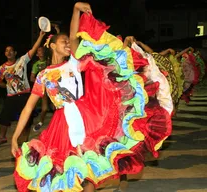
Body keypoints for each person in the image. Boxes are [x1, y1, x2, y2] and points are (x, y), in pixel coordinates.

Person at [11, 2, 172, 192]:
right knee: (66, 171)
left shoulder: (73, 63)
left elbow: (73, 35)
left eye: (68, 43)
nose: (68, 45)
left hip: (86, 118)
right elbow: (28, 108)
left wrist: (76, 10)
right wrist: (15, 137)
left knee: (87, 171)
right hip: (61, 125)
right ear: (52, 45)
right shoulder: (43, 75)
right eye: (63, 42)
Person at [0, 30, 46, 147]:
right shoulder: (2, 68)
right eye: (7, 51)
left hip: (25, 94)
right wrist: (7, 85)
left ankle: (24, 141)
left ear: (15, 53)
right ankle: (2, 137)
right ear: (5, 54)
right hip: (11, 97)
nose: (9, 52)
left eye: (11, 50)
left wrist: (40, 36)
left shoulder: (22, 60)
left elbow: (33, 49)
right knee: (4, 117)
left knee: (27, 120)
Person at [31, 24, 60, 132]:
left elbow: (57, 45)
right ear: (37, 54)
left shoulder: (49, 59)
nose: (40, 51)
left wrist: (57, 31)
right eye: (38, 51)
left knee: (55, 107)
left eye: (41, 50)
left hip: (54, 86)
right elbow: (32, 78)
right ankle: (40, 122)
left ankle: (56, 124)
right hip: (44, 87)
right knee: (44, 109)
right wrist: (41, 83)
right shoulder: (36, 65)